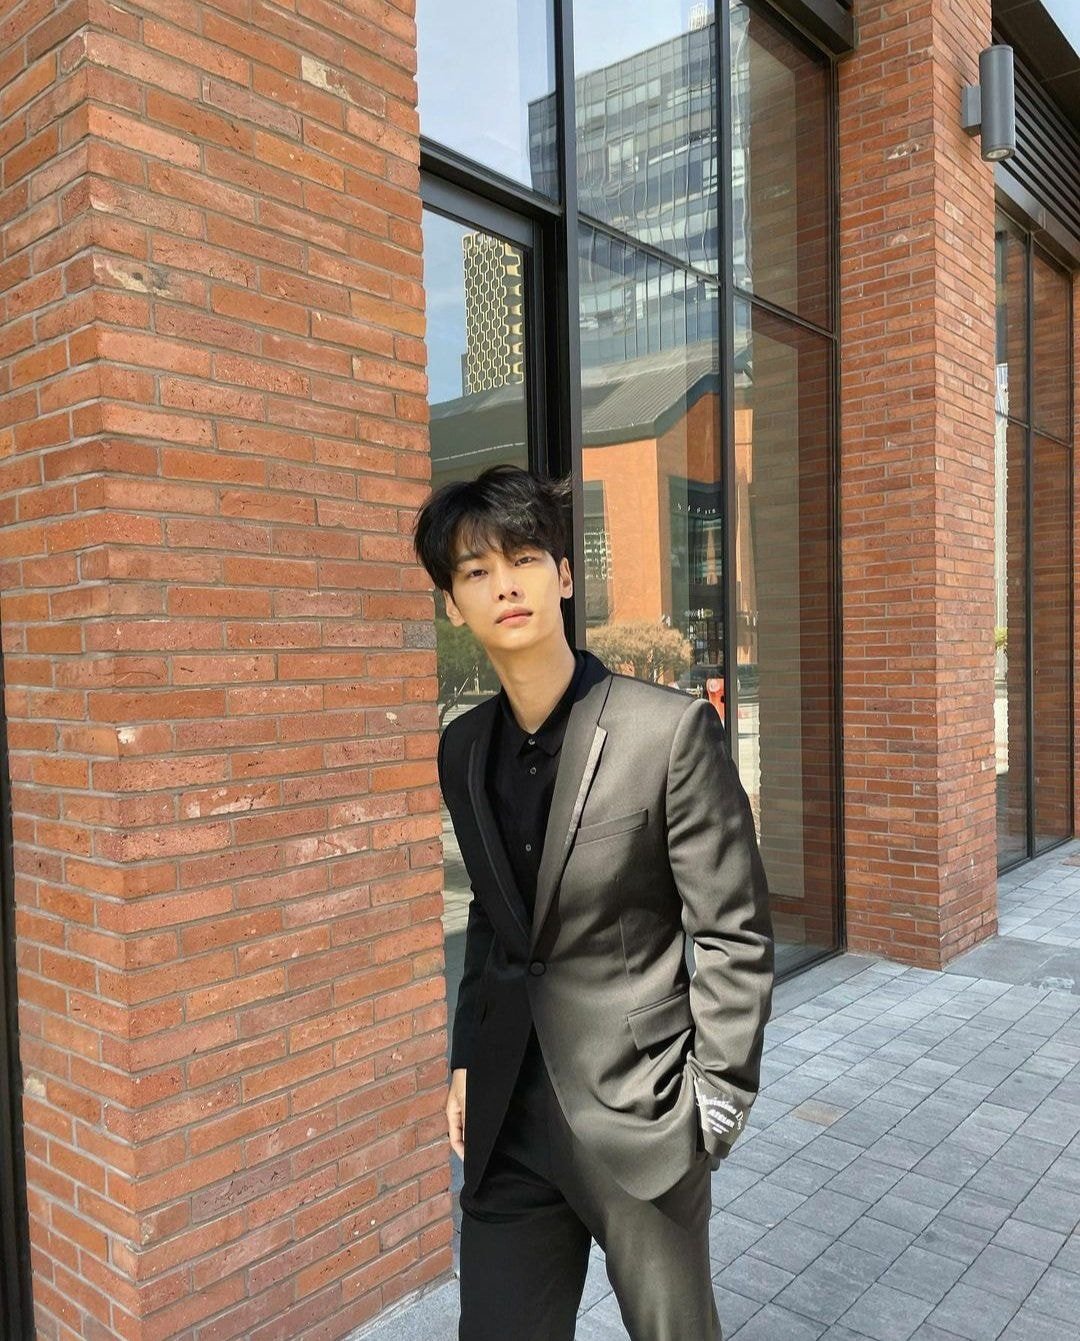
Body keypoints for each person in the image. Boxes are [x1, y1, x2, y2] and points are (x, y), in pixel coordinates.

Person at [413, 465, 773, 1341]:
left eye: (524, 558)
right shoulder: (462, 749)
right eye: (476, 571)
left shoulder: (666, 732)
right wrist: (466, 1060)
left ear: (565, 575)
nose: (505, 585)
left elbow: (734, 931)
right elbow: (495, 922)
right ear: (453, 606)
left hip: (642, 1114)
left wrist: (715, 1102)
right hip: (509, 1120)